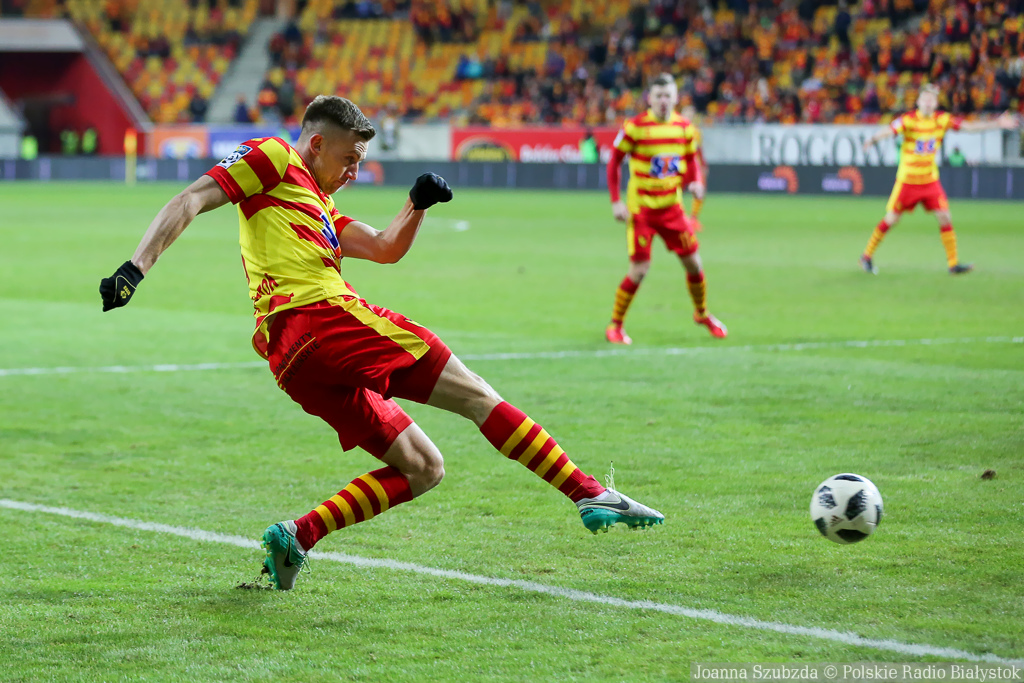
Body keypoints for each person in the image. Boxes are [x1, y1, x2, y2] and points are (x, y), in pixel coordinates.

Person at [99, 95, 663, 591]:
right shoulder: (273, 156)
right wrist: (135, 267)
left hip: (291, 359)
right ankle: (588, 492)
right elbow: (192, 197)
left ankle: (298, 536)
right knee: (475, 394)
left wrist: (416, 204)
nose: (353, 172)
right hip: (322, 318)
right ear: (316, 144)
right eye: (349, 159)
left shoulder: (318, 205)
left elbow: (385, 247)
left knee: (423, 466)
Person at [605, 73, 727, 345]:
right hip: (643, 211)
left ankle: (702, 313)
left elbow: (691, 160)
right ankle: (615, 325)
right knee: (639, 269)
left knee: (694, 264)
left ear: (675, 98)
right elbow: (614, 163)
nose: (663, 100)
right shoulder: (635, 127)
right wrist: (616, 201)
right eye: (658, 95)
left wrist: (695, 181)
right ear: (649, 98)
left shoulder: (684, 128)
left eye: (668, 95)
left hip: (672, 209)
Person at [859, 84, 1019, 275]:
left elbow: (968, 127)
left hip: (929, 180)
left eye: (932, 99)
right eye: (925, 98)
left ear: (936, 103)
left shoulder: (942, 120)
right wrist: (872, 139)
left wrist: (996, 124)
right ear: (918, 101)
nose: (928, 102)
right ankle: (866, 256)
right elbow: (890, 130)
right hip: (908, 180)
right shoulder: (909, 120)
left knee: (945, 216)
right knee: (892, 219)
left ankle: (953, 264)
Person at [679, 104, 708, 229]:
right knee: (676, 191)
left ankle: (694, 218)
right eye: (687, 114)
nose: (689, 117)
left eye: (691, 115)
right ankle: (678, 216)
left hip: (693, 165)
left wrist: (703, 164)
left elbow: (699, 150)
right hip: (679, 165)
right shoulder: (676, 129)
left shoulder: (696, 132)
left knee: (700, 189)